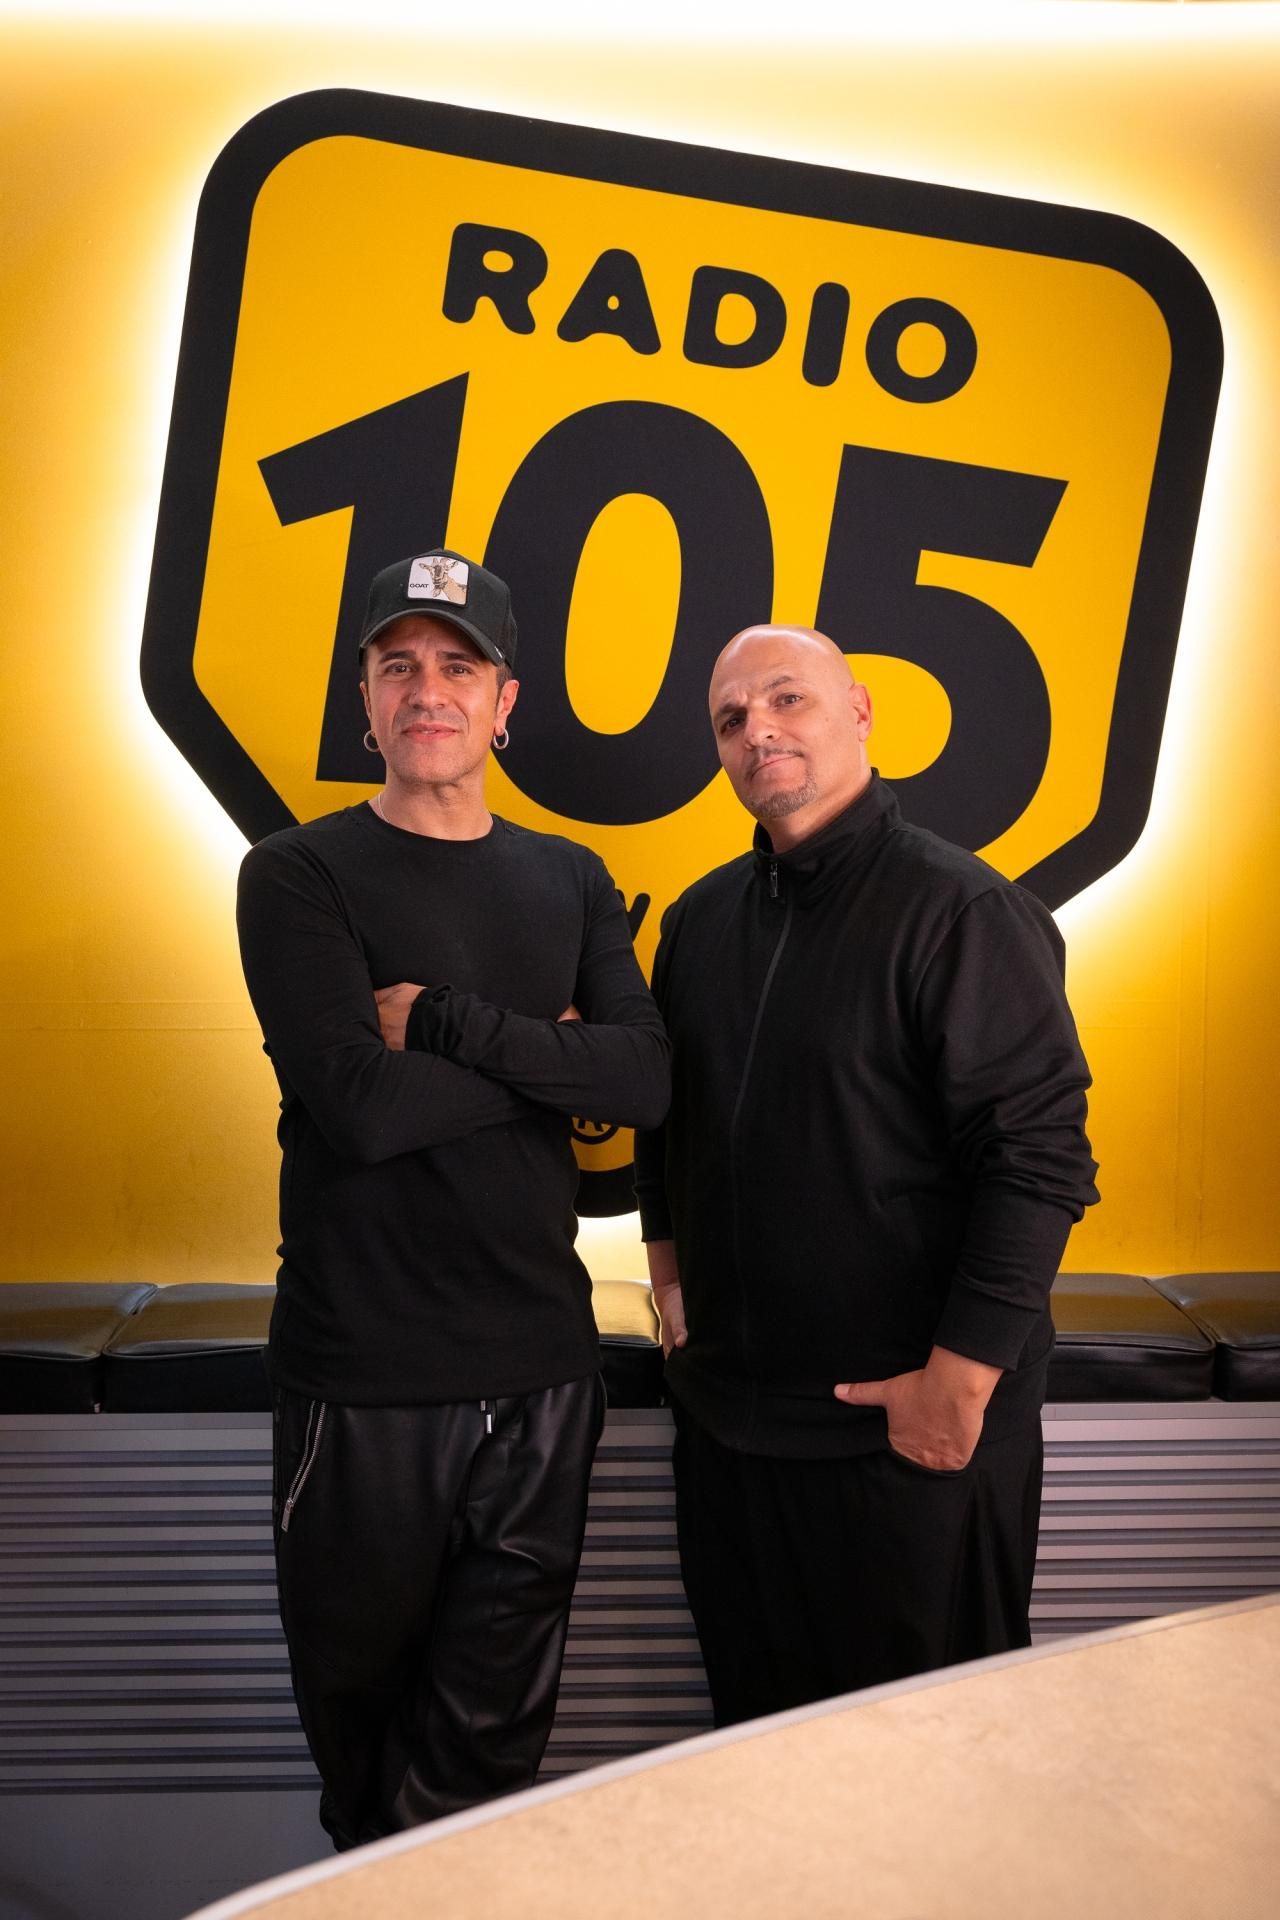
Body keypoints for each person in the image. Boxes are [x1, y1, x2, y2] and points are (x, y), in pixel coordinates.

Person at [236, 548, 670, 1847]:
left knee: (487, 1769)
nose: (428, 691)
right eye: (399, 667)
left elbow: (646, 1078)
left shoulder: (570, 876)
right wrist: (549, 1059)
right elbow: (359, 1111)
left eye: (458, 667)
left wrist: (444, 1024)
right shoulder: (296, 873)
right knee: (368, 1772)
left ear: (504, 702)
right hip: (361, 1382)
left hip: (541, 1377)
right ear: (366, 701)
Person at [634, 623, 1098, 1727]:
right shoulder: (698, 920)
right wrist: (667, 1267)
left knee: (934, 1779)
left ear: (859, 712)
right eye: (732, 719)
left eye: (786, 699)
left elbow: (1039, 1157)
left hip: (904, 1447)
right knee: (759, 1765)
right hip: (734, 1441)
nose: (758, 731)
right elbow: (666, 1118)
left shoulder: (963, 910)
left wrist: (958, 1384)